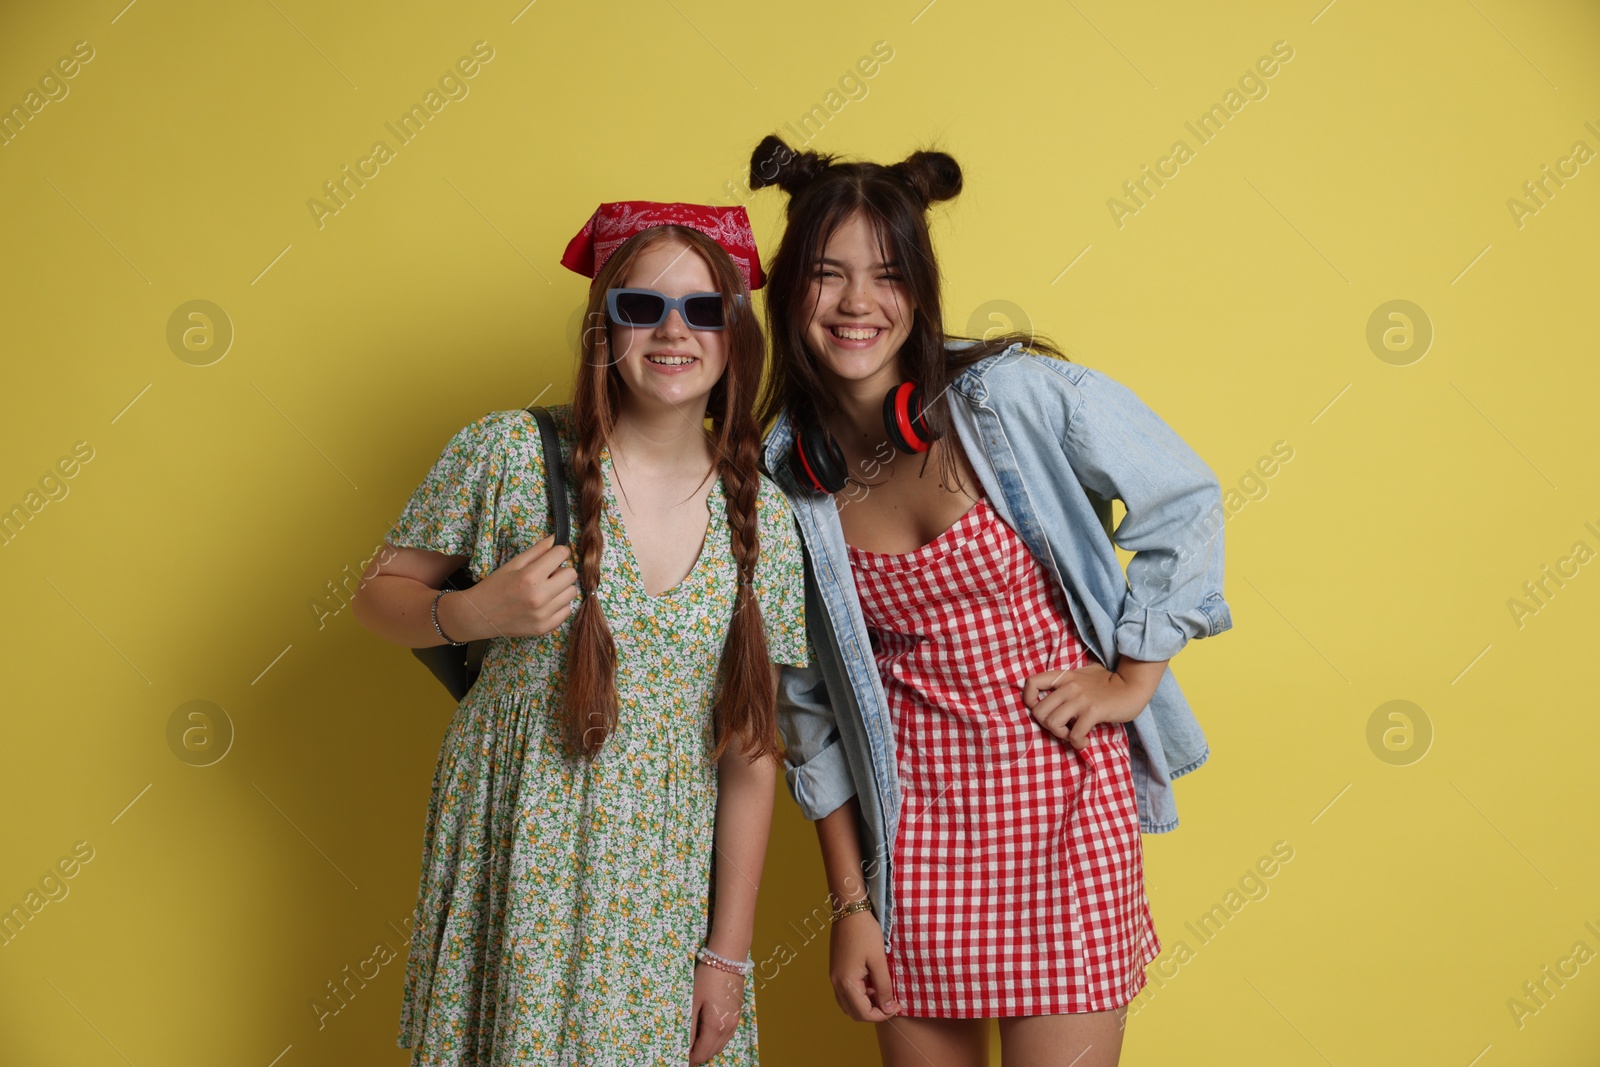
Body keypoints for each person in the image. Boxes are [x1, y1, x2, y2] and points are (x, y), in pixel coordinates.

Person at [744, 136, 1233, 1067]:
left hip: (1062, 819)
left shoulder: (1009, 401)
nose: (857, 304)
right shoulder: (782, 474)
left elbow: (1184, 498)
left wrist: (1131, 679)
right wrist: (852, 907)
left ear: (920, 292)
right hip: (911, 842)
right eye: (826, 276)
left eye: (887, 276)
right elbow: (808, 712)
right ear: (786, 291)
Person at [352, 200, 809, 1067]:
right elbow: (375, 595)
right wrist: (470, 612)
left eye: (703, 309)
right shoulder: (507, 454)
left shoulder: (766, 519)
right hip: (516, 857)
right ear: (605, 329)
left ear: (735, 335)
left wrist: (728, 952)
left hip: (658, 896)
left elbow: (753, 752)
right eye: (642, 307)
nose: (673, 331)